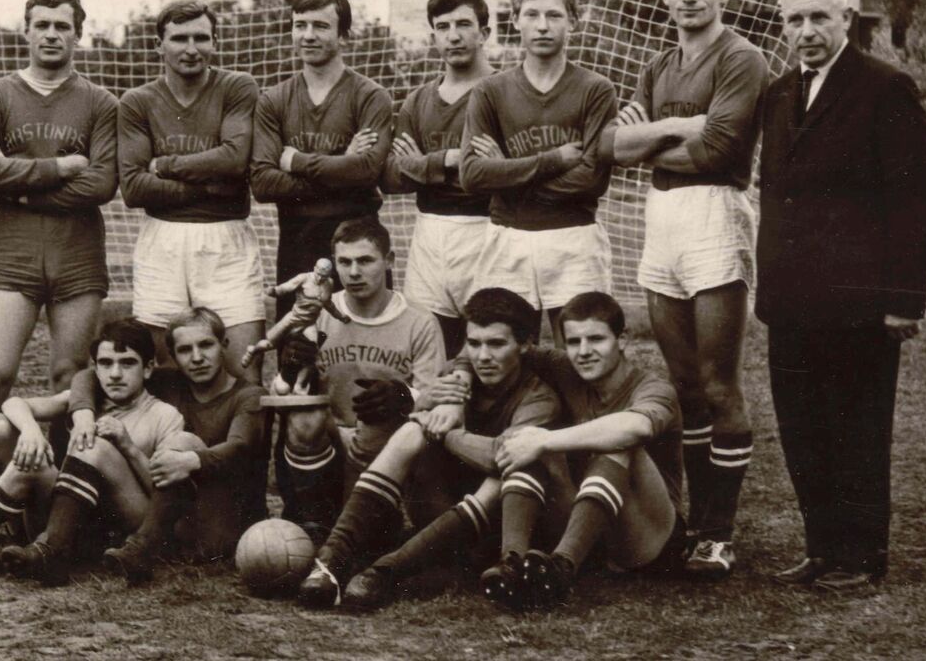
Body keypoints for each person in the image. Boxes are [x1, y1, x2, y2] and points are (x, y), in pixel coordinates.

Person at [757, 0, 926, 592]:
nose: (806, 31)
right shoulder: (779, 94)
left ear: (846, 19)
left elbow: (915, 202)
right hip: (791, 299)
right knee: (802, 428)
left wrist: (903, 299)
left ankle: (860, 557)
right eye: (795, 19)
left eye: (818, 18)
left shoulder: (885, 88)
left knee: (857, 427)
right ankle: (821, 548)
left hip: (858, 301)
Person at [600, 0, 769, 578]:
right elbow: (615, 148)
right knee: (684, 386)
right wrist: (682, 127)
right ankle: (693, 523)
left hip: (716, 214)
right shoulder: (657, 64)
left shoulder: (742, 58)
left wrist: (652, 139)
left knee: (720, 383)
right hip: (662, 218)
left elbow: (719, 150)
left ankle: (719, 534)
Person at [296, 287, 569, 610]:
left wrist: (447, 434)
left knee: (507, 470)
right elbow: (423, 412)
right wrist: (424, 408)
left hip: (499, 528)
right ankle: (332, 558)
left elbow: (504, 455)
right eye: (475, 343)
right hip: (442, 510)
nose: (483, 356)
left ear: (524, 345)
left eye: (496, 344)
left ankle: (384, 572)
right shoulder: (457, 376)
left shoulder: (539, 398)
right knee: (413, 431)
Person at [0, 319, 186, 587]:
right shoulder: (88, 400)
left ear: (148, 368)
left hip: (110, 533)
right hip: (62, 517)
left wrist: (128, 447)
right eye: (106, 364)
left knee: (91, 446)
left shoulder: (164, 415)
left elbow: (165, 495)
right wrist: (31, 430)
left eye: (127, 363)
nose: (115, 373)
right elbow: (13, 404)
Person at [0, 0, 118, 454]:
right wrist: (60, 168)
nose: (51, 34)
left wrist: (19, 188)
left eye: (62, 26)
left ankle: (63, 487)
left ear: (77, 35)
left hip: (78, 256)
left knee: (70, 379)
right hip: (14, 255)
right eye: (42, 25)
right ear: (26, 31)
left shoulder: (101, 102)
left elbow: (101, 185)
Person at [494, 292, 685, 612]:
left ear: (622, 340)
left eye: (596, 339)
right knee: (526, 440)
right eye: (573, 342)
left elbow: (637, 427)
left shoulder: (653, 388)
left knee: (617, 442)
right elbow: (502, 345)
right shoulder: (567, 369)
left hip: (651, 536)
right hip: (595, 522)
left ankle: (562, 568)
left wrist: (545, 440)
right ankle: (511, 564)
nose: (583, 352)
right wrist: (460, 372)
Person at [459, 0, 617, 346]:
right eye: (531, 15)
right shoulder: (490, 91)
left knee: (579, 353)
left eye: (554, 15)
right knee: (506, 353)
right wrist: (552, 161)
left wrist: (507, 172)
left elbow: (591, 179)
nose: (542, 25)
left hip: (574, 237)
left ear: (572, 21)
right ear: (515, 20)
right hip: (508, 237)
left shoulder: (596, 89)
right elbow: (473, 175)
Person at [273, 217, 447, 543]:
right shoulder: (319, 313)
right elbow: (281, 399)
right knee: (303, 418)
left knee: (376, 537)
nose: (354, 272)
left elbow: (436, 400)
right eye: (345, 262)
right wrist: (288, 368)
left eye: (365, 261)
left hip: (390, 448)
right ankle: (316, 519)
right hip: (332, 446)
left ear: (389, 260)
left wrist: (403, 395)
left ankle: (378, 515)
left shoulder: (420, 321)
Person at [66, 306, 268, 585]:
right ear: (172, 355)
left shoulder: (249, 396)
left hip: (224, 522)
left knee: (182, 441)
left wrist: (190, 461)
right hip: (172, 520)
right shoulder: (170, 383)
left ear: (224, 345)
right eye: (185, 350)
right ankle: (135, 544)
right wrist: (83, 414)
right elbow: (87, 376)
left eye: (206, 345)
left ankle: (142, 544)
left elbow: (240, 448)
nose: (196, 358)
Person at [117, 1, 266, 379]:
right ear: (159, 45)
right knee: (165, 370)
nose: (191, 48)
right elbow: (133, 187)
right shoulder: (137, 101)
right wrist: (212, 186)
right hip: (162, 240)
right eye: (179, 38)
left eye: (201, 38)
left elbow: (234, 160)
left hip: (226, 238)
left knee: (243, 368)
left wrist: (165, 166)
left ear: (215, 42)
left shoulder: (237, 86)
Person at [251, 0, 393, 321]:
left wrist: (297, 162)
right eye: (300, 25)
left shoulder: (371, 96)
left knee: (365, 336)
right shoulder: (274, 100)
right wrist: (342, 163)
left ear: (344, 36)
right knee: (298, 341)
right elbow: (263, 183)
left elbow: (367, 171)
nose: (308, 35)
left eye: (321, 26)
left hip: (358, 244)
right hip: (297, 239)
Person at [381, 0, 496, 356]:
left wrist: (421, 164)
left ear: (484, 33)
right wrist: (446, 160)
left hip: (490, 228)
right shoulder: (418, 100)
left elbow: (501, 171)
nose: (454, 36)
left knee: (492, 348)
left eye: (464, 25)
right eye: (443, 27)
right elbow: (391, 176)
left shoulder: (506, 91)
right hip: (429, 232)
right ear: (433, 37)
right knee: (430, 351)